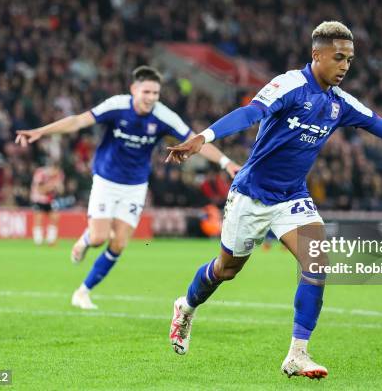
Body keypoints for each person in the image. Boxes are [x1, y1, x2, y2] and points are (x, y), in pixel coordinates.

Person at [165, 21, 382, 379]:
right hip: (251, 194)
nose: (346, 66)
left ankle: (297, 354)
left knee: (317, 262)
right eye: (339, 57)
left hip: (292, 196)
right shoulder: (289, 85)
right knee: (226, 270)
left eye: (350, 59)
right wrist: (202, 137)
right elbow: (251, 113)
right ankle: (187, 306)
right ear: (316, 55)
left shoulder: (340, 103)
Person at [16, 66, 240, 310]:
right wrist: (41, 131)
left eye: (156, 93)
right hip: (106, 179)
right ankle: (87, 239)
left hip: (135, 185)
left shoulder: (164, 116)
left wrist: (225, 162)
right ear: (134, 90)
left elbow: (194, 140)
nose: (151, 97)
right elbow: (79, 120)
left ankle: (83, 291)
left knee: (119, 244)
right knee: (100, 237)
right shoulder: (117, 105)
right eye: (147, 92)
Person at [30, 161, 64, 245]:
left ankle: (51, 239)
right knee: (39, 218)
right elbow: (39, 190)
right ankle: (38, 240)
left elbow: (61, 190)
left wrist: (58, 188)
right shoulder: (40, 173)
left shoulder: (59, 175)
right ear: (51, 168)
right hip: (38, 198)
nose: (56, 173)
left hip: (50, 199)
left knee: (55, 217)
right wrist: (51, 187)